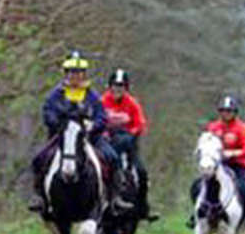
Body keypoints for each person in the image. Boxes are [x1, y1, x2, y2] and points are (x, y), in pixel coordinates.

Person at [27, 51, 115, 213]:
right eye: (72, 72)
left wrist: (92, 126)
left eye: (79, 73)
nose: (75, 76)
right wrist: (59, 124)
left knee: (112, 157)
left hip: (88, 139)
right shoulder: (56, 94)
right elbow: (48, 113)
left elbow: (102, 117)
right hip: (62, 138)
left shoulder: (92, 95)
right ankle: (39, 197)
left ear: (84, 74)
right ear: (66, 74)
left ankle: (112, 198)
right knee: (38, 159)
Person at [197, 94, 245, 228]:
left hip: (238, 164)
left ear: (234, 112)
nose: (225, 113)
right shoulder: (213, 127)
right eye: (223, 110)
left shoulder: (241, 128)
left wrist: (232, 153)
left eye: (229, 111)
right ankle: (197, 213)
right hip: (217, 165)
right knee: (199, 184)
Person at [100, 67, 155, 221]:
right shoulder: (102, 101)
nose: (117, 89)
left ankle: (144, 207)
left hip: (128, 145)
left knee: (142, 172)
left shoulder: (132, 103)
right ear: (110, 86)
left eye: (121, 86)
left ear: (126, 88)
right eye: (115, 85)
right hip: (106, 143)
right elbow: (97, 120)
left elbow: (141, 123)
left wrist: (131, 134)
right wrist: (103, 133)